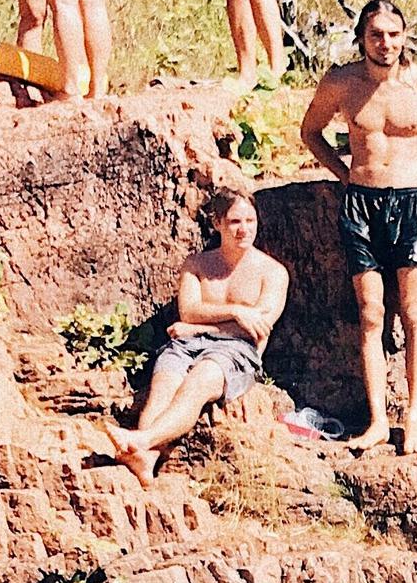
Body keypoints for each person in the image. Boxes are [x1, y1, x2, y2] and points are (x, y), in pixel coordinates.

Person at [298, 0, 417, 454]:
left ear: (405, 37)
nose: (386, 43)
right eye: (376, 34)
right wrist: (344, 174)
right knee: (371, 314)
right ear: (362, 38)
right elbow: (310, 131)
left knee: (414, 313)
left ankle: (413, 419)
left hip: (414, 204)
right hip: (362, 203)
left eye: (394, 34)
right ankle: (376, 420)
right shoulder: (341, 83)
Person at [102, 186, 288, 489]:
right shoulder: (198, 264)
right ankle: (146, 458)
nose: (244, 230)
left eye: (250, 221)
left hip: (236, 351)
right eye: (235, 222)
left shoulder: (273, 272)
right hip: (188, 343)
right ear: (217, 223)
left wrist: (203, 327)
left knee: (198, 381)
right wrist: (237, 312)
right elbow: (188, 311)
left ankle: (142, 440)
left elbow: (258, 328)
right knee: (163, 386)